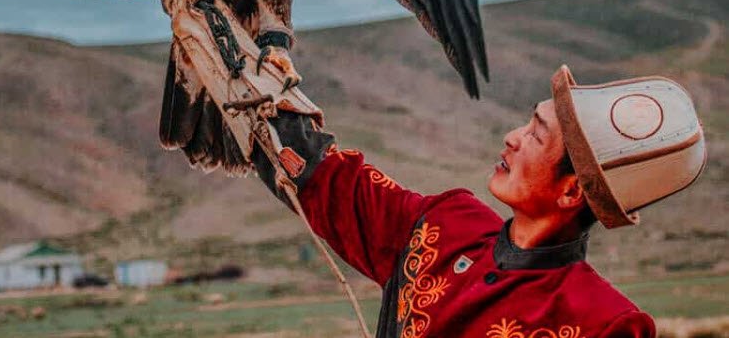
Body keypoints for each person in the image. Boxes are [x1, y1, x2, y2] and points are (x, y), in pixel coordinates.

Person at [253, 66, 706, 337]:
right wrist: (256, 80)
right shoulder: (448, 222)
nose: (512, 137)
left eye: (535, 135)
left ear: (572, 191)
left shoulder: (606, 324)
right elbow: (332, 182)